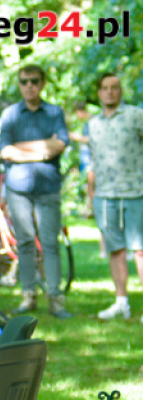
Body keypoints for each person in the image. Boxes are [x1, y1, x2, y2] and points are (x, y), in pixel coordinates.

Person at [0, 64, 71, 318]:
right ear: (19, 84)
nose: (29, 86)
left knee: (50, 243)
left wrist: (22, 150)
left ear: (43, 83)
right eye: (24, 81)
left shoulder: (54, 112)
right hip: (18, 188)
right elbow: (5, 151)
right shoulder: (10, 115)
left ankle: (55, 297)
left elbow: (59, 145)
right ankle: (28, 296)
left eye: (34, 81)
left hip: (48, 186)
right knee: (26, 243)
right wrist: (42, 150)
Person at [87, 73, 143, 321]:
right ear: (99, 92)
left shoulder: (135, 115)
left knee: (140, 250)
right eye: (105, 88)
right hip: (105, 195)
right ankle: (121, 302)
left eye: (115, 88)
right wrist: (92, 194)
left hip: (135, 191)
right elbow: (93, 160)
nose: (110, 92)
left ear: (121, 91)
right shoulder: (93, 123)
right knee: (115, 250)